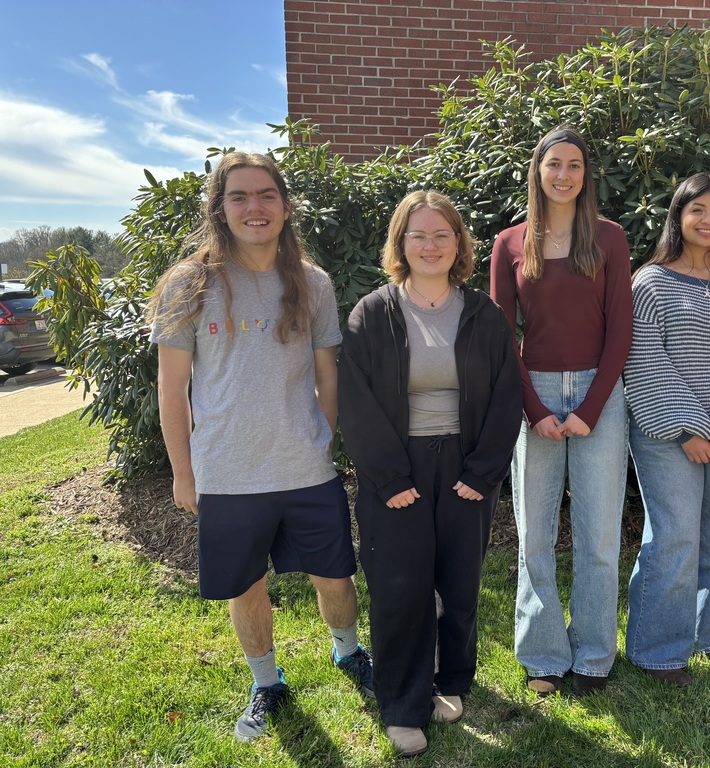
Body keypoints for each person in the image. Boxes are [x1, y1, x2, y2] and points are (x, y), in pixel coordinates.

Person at [148, 152, 373, 743]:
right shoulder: (187, 283)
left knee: (336, 578)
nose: (255, 207)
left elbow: (328, 373)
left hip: (305, 466)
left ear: (285, 205)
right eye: (240, 197)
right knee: (245, 586)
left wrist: (318, 436)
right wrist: (183, 473)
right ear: (220, 208)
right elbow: (173, 390)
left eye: (266, 195)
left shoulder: (313, 282)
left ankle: (348, 653)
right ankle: (266, 682)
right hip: (226, 472)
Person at [338, 190, 522, 757]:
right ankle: (402, 702)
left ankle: (449, 681)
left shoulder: (484, 315)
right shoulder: (373, 312)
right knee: (400, 588)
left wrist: (484, 471)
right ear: (401, 244)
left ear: (459, 243)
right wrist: (390, 479)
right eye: (418, 234)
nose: (430, 244)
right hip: (398, 466)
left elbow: (505, 395)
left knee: (458, 583)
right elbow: (355, 401)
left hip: (465, 467)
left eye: (442, 234)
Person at [490, 126, 633, 698]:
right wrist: (533, 407)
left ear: (585, 174)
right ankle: (545, 653)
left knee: (599, 535)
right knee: (535, 535)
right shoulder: (509, 243)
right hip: (535, 392)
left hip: (601, 389)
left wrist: (593, 407)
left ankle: (595, 654)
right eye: (555, 164)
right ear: (538, 171)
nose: (565, 175)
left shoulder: (610, 238)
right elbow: (503, 338)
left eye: (575, 165)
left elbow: (621, 329)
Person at [622, 173, 710, 688]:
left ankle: (705, 634)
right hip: (668, 433)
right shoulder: (651, 281)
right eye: (697, 210)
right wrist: (688, 429)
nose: (708, 220)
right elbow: (643, 358)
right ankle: (656, 649)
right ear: (678, 217)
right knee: (675, 537)